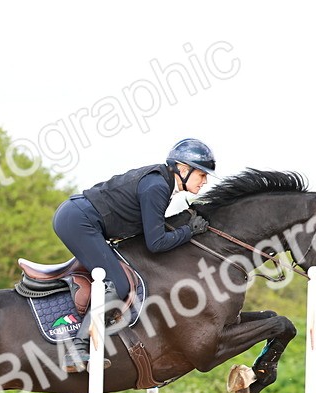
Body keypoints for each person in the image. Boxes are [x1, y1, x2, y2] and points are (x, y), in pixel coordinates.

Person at [52, 138, 216, 372]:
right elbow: (156, 243)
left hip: (79, 218)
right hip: (78, 222)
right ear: (182, 169)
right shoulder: (157, 187)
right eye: (201, 174)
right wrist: (189, 231)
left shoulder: (161, 182)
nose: (205, 181)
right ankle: (77, 348)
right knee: (118, 284)